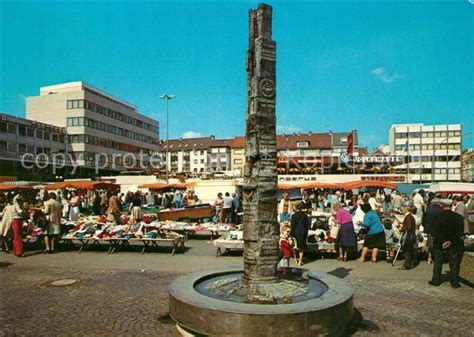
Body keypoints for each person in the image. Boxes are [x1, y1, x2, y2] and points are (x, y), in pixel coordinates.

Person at [429, 199, 464, 288]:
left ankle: (436, 280)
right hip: (454, 243)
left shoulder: (436, 216)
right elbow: (460, 232)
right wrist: (450, 241)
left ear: (441, 206)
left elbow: (433, 231)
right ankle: (454, 281)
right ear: (451, 206)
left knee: (438, 261)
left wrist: (442, 240)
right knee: (454, 263)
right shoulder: (458, 217)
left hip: (439, 243)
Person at [423, 197, 442, 264]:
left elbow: (426, 220)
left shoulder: (429, 209)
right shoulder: (440, 209)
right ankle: (437, 258)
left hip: (430, 229)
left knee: (430, 245)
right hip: (438, 230)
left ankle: (429, 258)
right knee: (438, 245)